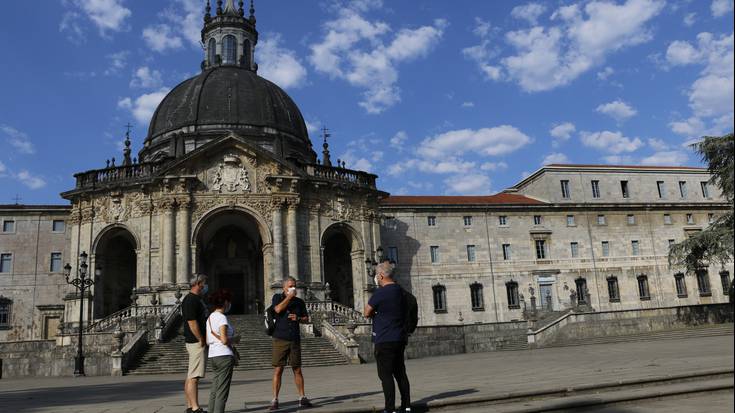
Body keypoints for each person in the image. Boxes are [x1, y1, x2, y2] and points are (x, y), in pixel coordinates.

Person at [364, 262, 411, 413]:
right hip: (400, 338)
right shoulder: (402, 291)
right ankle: (406, 406)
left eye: (376, 275)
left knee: (385, 375)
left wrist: (377, 313)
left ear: (381, 276)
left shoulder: (380, 293)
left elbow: (366, 312)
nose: (376, 278)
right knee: (400, 373)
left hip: (384, 338)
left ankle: (390, 409)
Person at [270, 276, 313, 410]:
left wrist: (298, 318)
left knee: (297, 369)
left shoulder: (300, 302)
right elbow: (277, 310)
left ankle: (302, 397)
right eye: (290, 286)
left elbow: (306, 318)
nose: (293, 288)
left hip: (294, 338)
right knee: (278, 369)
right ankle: (275, 399)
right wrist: (288, 297)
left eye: (294, 285)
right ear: (284, 287)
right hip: (280, 337)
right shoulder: (277, 297)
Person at [206, 289, 238, 413]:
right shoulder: (221, 318)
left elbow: (209, 339)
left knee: (215, 389)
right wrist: (236, 339)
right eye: (228, 301)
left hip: (213, 355)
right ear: (225, 302)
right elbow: (224, 340)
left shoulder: (210, 317)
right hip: (224, 355)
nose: (229, 304)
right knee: (222, 391)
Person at [182, 274, 209, 413]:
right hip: (195, 342)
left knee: (191, 375)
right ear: (198, 283)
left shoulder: (196, 299)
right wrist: (201, 339)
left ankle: (189, 406)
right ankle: (195, 407)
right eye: (204, 283)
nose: (206, 285)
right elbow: (192, 322)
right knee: (194, 377)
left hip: (194, 341)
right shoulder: (191, 300)